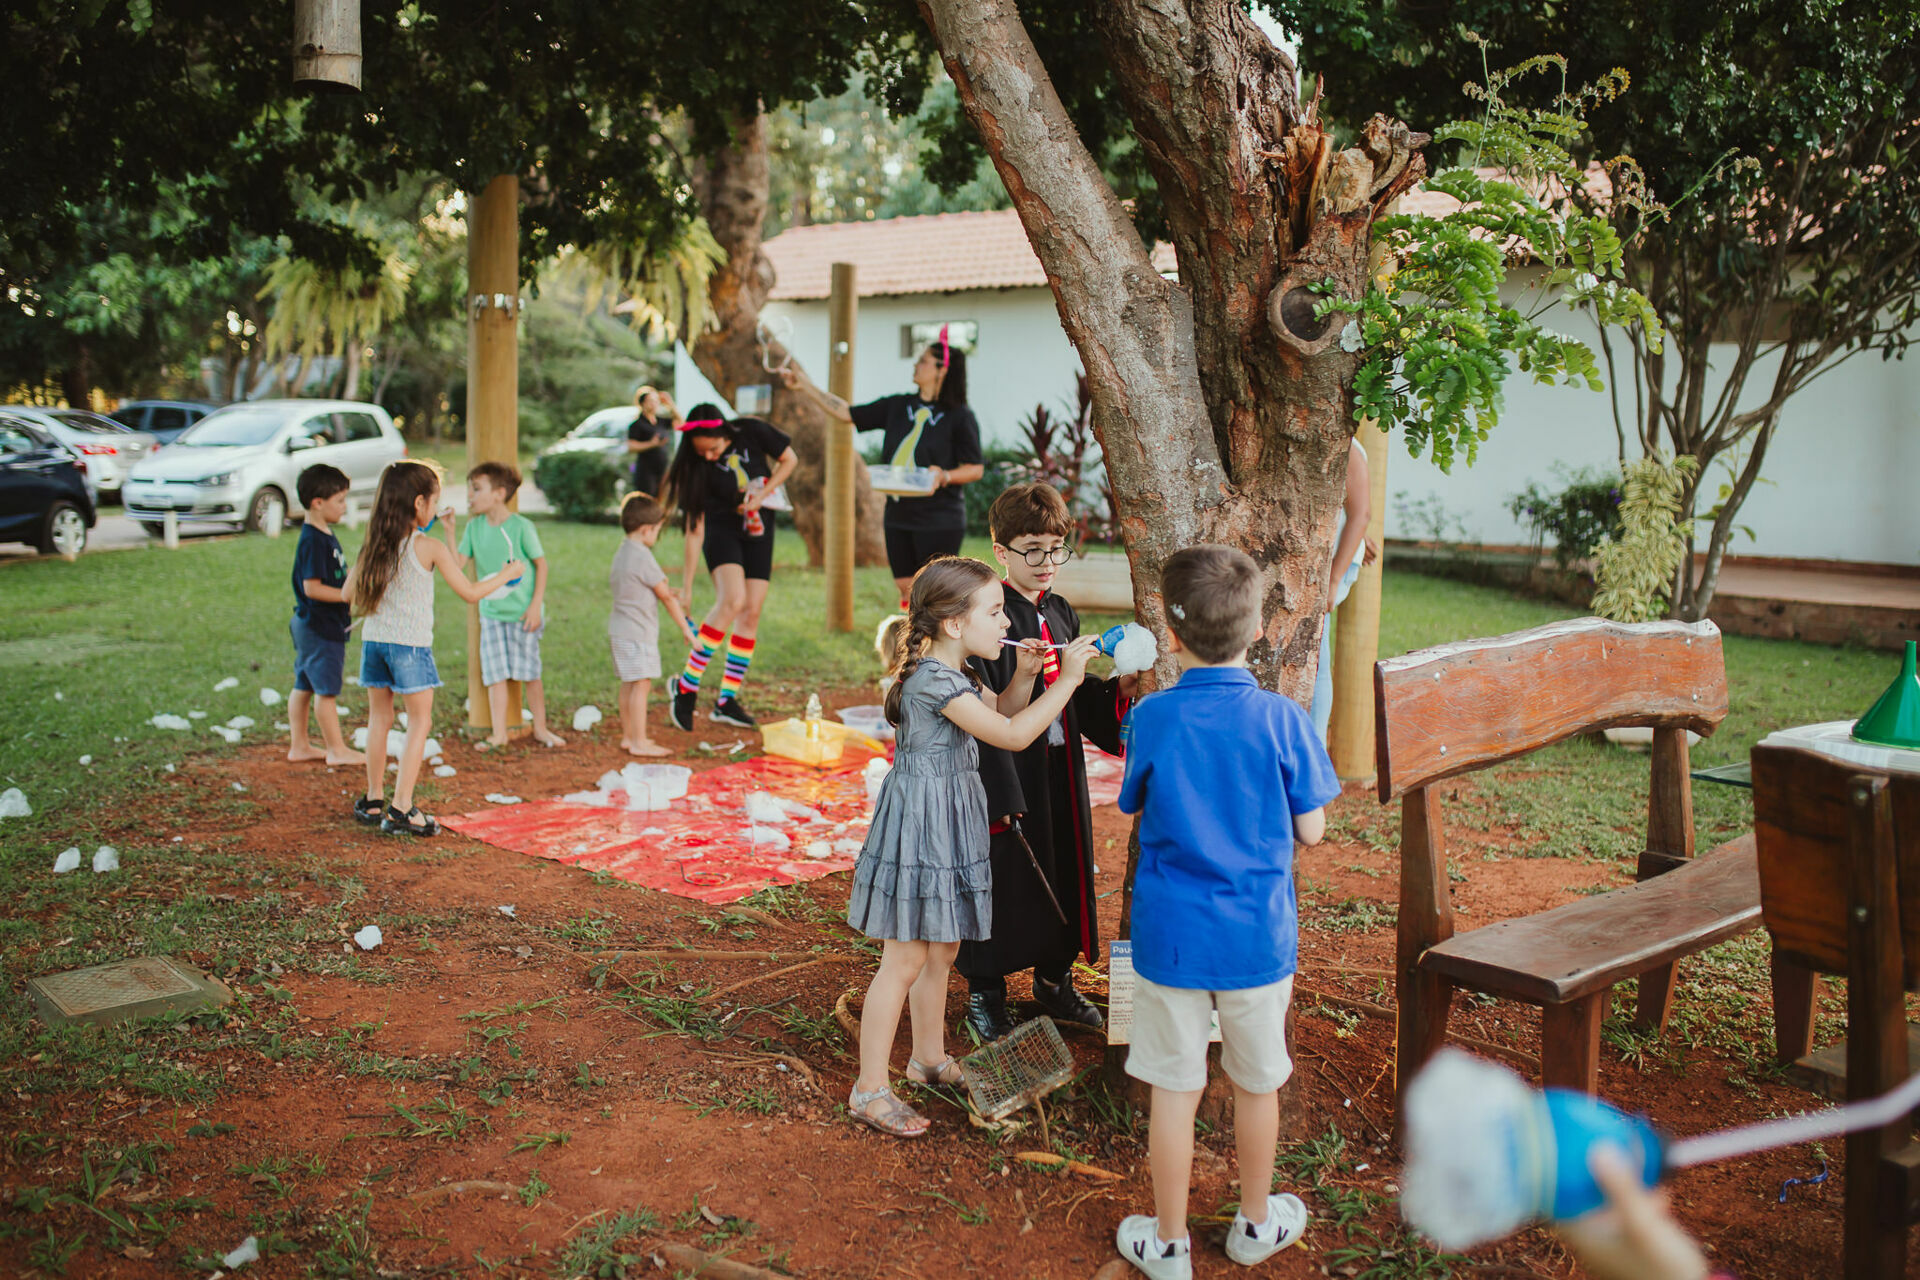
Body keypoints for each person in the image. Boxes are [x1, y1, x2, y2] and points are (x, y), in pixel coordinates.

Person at [1112, 545, 1340, 1279]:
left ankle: (1169, 1243)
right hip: (1256, 939)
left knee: (1174, 1088)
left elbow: (1135, 805)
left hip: (1172, 938)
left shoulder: (1151, 716)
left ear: (1171, 637)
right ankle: (1254, 1223)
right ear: (1258, 629)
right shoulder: (1284, 718)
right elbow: (1312, 830)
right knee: (1256, 1082)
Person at [844, 555, 1099, 1138]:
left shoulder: (962, 674)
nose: (1006, 624)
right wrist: (1070, 682)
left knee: (943, 950)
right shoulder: (933, 681)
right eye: (994, 613)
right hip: (922, 826)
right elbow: (1012, 735)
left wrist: (1031, 676)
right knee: (905, 958)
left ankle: (928, 1059)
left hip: (951, 819)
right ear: (955, 624)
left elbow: (1005, 709)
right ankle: (869, 1090)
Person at [959, 482, 1134, 1041]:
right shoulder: (989, 619)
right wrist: (999, 796)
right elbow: (985, 709)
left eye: (1056, 548)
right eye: (1032, 548)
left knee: (1063, 869)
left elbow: (1074, 694)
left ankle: (1054, 983)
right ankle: (986, 993)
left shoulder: (1060, 611)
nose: (1046, 562)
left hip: (1060, 770)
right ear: (1000, 552)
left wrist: (1118, 688)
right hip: (1009, 772)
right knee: (1004, 876)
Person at [345, 460, 522, 837]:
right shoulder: (428, 547)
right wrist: (506, 574)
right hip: (409, 648)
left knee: (380, 718)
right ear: (419, 503)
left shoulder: (374, 544)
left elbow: (348, 593)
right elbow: (470, 593)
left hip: (374, 642)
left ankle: (374, 797)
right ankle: (401, 808)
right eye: (434, 501)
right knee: (420, 722)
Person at [779, 336, 984, 606]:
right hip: (898, 513)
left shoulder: (960, 416)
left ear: (941, 370)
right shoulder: (898, 405)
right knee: (904, 587)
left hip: (939, 516)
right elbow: (846, 412)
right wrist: (804, 386)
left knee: (934, 592)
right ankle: (911, 642)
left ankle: (932, 645)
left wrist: (944, 476)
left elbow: (975, 468)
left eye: (923, 360)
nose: (916, 364)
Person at [660, 405, 798, 731]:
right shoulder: (697, 466)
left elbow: (789, 459)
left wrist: (763, 493)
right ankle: (686, 685)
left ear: (725, 434)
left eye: (713, 449)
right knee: (732, 600)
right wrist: (688, 586)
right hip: (722, 531)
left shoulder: (751, 431)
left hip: (760, 527)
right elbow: (694, 529)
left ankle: (726, 701)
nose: (707, 456)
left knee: (750, 612)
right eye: (701, 451)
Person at [457, 461, 564, 748]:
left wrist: (535, 605)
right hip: (491, 614)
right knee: (496, 675)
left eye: (477, 489)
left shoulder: (521, 527)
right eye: (470, 489)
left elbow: (541, 566)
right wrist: (445, 530)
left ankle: (540, 728)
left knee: (530, 673)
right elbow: (456, 565)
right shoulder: (473, 528)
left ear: (499, 494)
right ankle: (499, 734)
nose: (470, 495)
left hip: (522, 615)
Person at [609, 491, 698, 756]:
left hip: (620, 631)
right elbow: (667, 599)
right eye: (658, 530)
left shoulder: (623, 551)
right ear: (647, 530)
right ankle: (639, 742)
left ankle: (629, 737)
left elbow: (648, 589)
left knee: (629, 683)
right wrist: (687, 630)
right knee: (642, 684)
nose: (656, 536)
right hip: (639, 634)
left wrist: (669, 593)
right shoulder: (643, 556)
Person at [286, 464, 364, 766]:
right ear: (318, 503)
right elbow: (312, 588)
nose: (344, 507)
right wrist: (348, 597)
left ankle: (300, 746)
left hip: (312, 625)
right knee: (326, 691)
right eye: (340, 500)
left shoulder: (323, 534)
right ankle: (336, 749)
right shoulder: (314, 540)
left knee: (304, 684)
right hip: (320, 627)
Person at [1309, 437, 1380, 742]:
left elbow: (1360, 514)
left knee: (1316, 657)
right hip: (1317, 560)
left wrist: (1333, 578)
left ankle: (1313, 745)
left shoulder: (1348, 446)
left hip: (1329, 568)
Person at [626, 385, 678, 499]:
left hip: (663, 468)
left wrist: (670, 404)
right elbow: (631, 446)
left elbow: (681, 424)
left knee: (663, 501)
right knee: (648, 501)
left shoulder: (661, 421)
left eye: (656, 401)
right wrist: (651, 444)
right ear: (643, 403)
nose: (654, 404)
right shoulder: (637, 424)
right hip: (646, 471)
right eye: (651, 401)